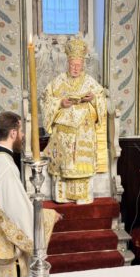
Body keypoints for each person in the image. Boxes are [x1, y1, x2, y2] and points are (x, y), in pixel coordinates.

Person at [0, 111, 60, 277]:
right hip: (3, 252)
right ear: (13, 133)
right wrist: (47, 217)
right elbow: (15, 212)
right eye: (21, 131)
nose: (23, 136)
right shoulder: (5, 166)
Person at [41, 37, 107, 204]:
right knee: (64, 163)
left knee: (80, 164)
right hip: (63, 129)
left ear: (83, 64)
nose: (75, 68)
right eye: (72, 65)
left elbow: (101, 99)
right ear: (68, 64)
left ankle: (83, 196)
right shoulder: (58, 81)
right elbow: (46, 98)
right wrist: (60, 103)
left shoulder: (90, 82)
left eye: (78, 65)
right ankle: (62, 195)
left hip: (84, 129)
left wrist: (93, 99)